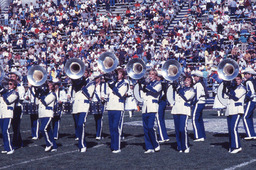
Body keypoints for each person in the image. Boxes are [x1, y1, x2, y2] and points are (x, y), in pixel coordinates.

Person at [69, 69, 95, 152]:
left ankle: (83, 145)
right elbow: (72, 93)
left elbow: (89, 95)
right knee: (77, 126)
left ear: (88, 74)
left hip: (84, 105)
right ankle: (80, 143)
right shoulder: (76, 84)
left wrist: (83, 86)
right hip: (76, 106)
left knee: (81, 124)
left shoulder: (91, 83)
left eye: (85, 73)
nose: (83, 74)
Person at [105, 68, 128, 153]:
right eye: (116, 73)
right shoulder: (112, 82)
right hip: (110, 106)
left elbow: (120, 94)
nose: (117, 75)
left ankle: (117, 147)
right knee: (111, 128)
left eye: (119, 73)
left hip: (118, 107)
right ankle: (113, 145)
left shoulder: (124, 83)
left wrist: (112, 86)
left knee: (116, 127)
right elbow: (107, 93)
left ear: (122, 75)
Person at [139, 69, 162, 153]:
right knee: (145, 129)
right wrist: (141, 85)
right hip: (145, 108)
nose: (150, 76)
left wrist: (146, 85)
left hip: (153, 108)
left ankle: (156, 144)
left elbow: (155, 91)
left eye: (153, 74)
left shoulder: (158, 84)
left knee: (151, 127)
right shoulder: (147, 84)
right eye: (150, 74)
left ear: (156, 76)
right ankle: (149, 147)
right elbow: (141, 95)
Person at [171, 76, 195, 153]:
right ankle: (180, 146)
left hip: (184, 110)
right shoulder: (180, 89)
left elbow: (186, 98)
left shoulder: (192, 90)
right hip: (176, 110)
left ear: (191, 82)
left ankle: (186, 146)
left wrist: (178, 89)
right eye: (185, 80)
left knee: (182, 129)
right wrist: (174, 86)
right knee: (177, 130)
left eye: (188, 80)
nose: (186, 81)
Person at [223, 74, 246, 154]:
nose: (236, 81)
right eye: (235, 79)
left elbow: (236, 97)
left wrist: (230, 88)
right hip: (230, 110)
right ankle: (232, 145)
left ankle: (237, 146)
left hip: (237, 110)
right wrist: (225, 85)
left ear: (241, 80)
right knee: (230, 129)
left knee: (233, 128)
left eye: (238, 79)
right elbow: (224, 96)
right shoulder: (232, 88)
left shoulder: (242, 88)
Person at [35, 81, 57, 152]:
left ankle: (48, 144)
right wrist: (37, 93)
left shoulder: (52, 94)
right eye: (47, 85)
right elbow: (36, 103)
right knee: (48, 130)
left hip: (48, 114)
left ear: (52, 87)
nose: (48, 86)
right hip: (42, 114)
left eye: (49, 85)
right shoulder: (43, 94)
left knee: (42, 129)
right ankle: (54, 146)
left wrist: (41, 94)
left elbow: (46, 102)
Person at [0, 79, 19, 154]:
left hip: (8, 113)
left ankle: (10, 149)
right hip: (1, 114)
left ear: (14, 86)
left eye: (10, 84)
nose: (9, 85)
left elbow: (8, 101)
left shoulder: (15, 93)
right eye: (8, 84)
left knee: (5, 130)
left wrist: (3, 93)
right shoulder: (4, 92)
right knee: (3, 131)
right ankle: (6, 147)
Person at [9, 70, 25, 149]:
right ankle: (20, 142)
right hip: (11, 107)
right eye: (11, 76)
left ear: (17, 77)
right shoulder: (9, 85)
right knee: (14, 126)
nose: (11, 78)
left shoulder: (20, 87)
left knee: (16, 126)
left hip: (18, 107)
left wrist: (15, 92)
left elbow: (21, 98)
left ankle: (15, 143)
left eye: (13, 76)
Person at [90, 72, 107, 140]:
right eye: (95, 78)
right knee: (96, 118)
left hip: (100, 103)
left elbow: (104, 93)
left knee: (100, 118)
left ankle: (98, 134)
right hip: (94, 102)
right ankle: (99, 133)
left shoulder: (102, 85)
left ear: (99, 78)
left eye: (97, 78)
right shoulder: (93, 85)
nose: (95, 79)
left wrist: (103, 97)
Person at [191, 70, 207, 141]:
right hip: (202, 102)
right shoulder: (201, 84)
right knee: (199, 119)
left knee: (194, 119)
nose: (194, 78)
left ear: (198, 77)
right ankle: (202, 134)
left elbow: (197, 96)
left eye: (195, 76)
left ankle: (198, 136)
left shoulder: (198, 85)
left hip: (198, 102)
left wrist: (192, 102)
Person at [241, 67, 256, 140]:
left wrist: (246, 98)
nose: (245, 75)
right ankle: (252, 134)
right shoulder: (253, 80)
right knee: (249, 117)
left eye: (246, 74)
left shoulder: (248, 82)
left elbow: (251, 92)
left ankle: (249, 134)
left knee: (245, 117)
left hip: (251, 100)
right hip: (254, 100)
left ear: (250, 74)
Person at [155, 71, 169, 143]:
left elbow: (161, 94)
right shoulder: (164, 83)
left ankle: (162, 137)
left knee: (159, 119)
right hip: (163, 102)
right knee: (161, 120)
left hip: (160, 102)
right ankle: (164, 136)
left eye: (156, 76)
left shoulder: (160, 84)